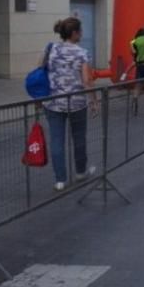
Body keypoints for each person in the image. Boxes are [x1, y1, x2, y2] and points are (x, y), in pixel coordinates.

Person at [43, 18, 98, 191]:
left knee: (57, 141)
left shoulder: (50, 48)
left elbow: (40, 69)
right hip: (77, 102)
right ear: (74, 33)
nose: (82, 34)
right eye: (80, 31)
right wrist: (94, 100)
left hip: (53, 102)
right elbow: (87, 80)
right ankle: (81, 172)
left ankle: (60, 180)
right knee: (79, 138)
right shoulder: (82, 53)